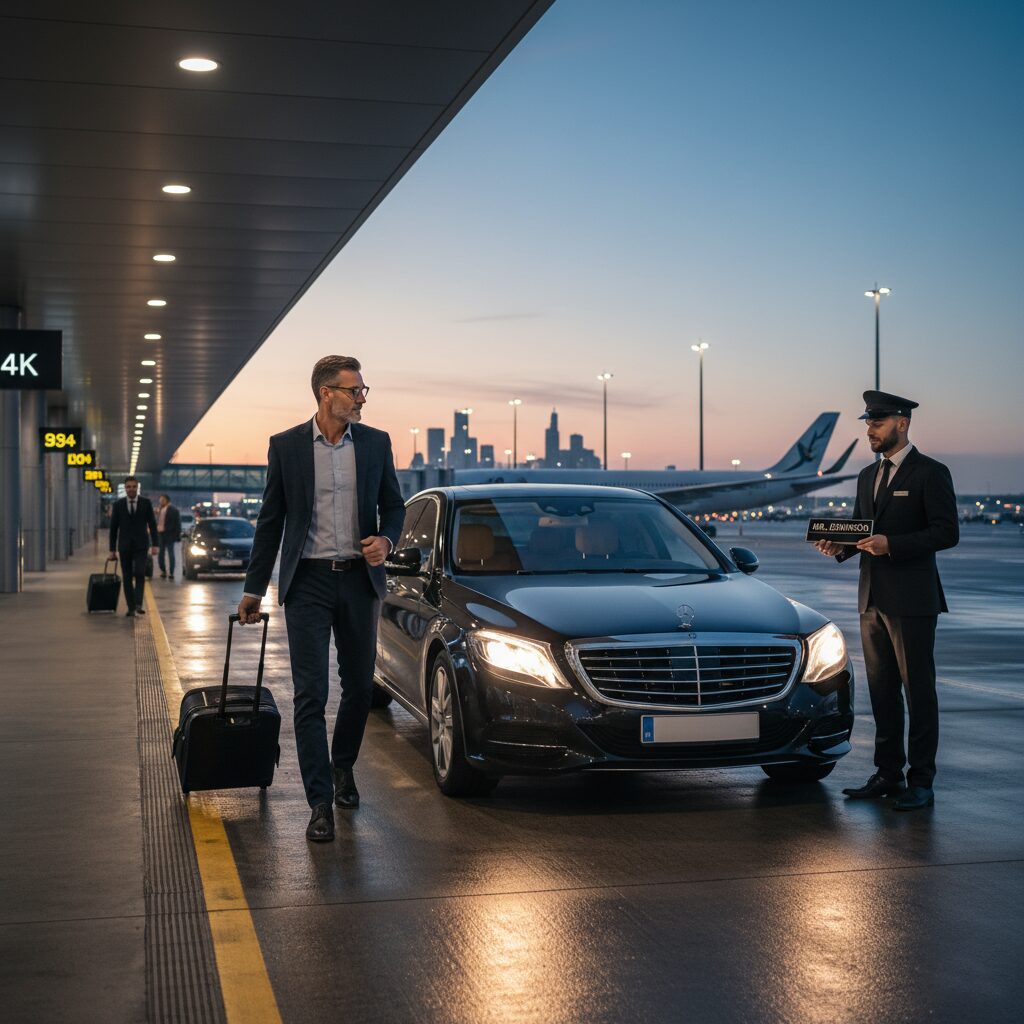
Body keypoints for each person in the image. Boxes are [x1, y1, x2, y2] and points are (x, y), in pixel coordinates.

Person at [237, 356, 405, 842]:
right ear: (325, 393)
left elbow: (393, 505)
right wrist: (254, 587)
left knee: (358, 687)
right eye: (353, 391)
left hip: (359, 580)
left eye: (362, 390)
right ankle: (319, 801)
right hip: (307, 582)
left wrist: (387, 540)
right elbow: (271, 521)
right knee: (312, 693)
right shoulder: (286, 446)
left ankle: (343, 765)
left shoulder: (375, 443)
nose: (361, 399)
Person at [815, 391, 958, 810]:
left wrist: (891, 544)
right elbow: (864, 531)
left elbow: (946, 532)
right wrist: (839, 548)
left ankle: (922, 781)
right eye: (867, 423)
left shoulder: (930, 472)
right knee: (881, 691)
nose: (869, 430)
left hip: (913, 600)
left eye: (876, 422)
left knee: (918, 691)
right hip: (872, 598)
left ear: (902, 423)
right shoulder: (866, 475)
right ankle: (888, 773)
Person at [109, 476, 159, 617]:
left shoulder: (146, 503)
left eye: (134, 487)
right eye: (129, 487)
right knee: (127, 576)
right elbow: (114, 528)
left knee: (139, 572)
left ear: (137, 488)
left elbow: (152, 524)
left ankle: (138, 604)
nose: (131, 489)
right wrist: (112, 550)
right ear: (125, 488)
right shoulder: (118, 505)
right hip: (124, 546)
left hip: (141, 545)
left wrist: (155, 544)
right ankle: (131, 607)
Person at [156, 494, 181, 579]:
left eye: (162, 500)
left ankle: (171, 572)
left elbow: (178, 524)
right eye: (160, 500)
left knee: (171, 554)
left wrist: (177, 536)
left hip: (169, 534)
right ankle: (163, 570)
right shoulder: (159, 509)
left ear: (167, 500)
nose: (160, 501)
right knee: (160, 554)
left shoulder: (173, 510)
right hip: (160, 534)